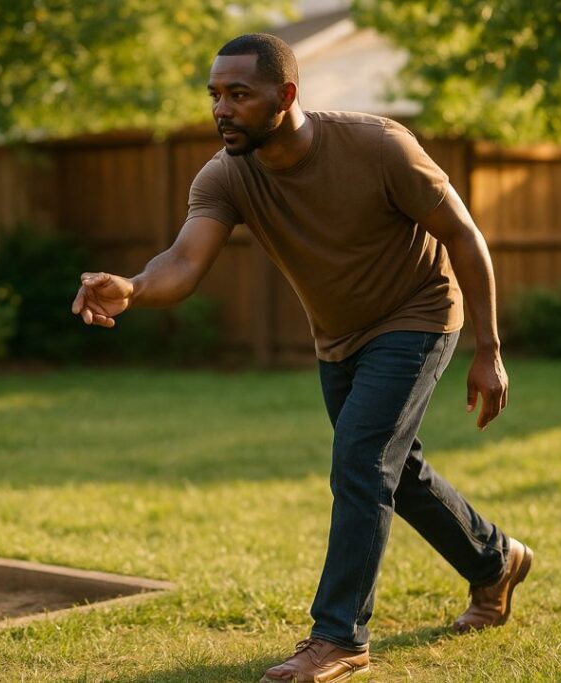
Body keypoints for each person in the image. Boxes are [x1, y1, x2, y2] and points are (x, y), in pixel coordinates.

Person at [71, 33, 532, 683]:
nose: (221, 109)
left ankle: (339, 636)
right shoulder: (227, 175)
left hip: (419, 313)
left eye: (238, 94)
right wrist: (134, 287)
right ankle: (495, 560)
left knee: (362, 459)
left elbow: (462, 232)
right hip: (339, 335)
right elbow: (181, 261)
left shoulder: (377, 145)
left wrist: (489, 350)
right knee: (394, 470)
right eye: (214, 95)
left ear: (285, 95)